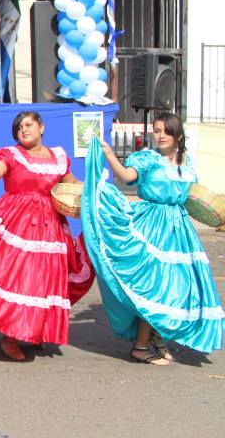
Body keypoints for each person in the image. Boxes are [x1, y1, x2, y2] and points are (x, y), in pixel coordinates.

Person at [0, 111, 95, 361]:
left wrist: (94, 189)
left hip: (51, 226)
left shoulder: (59, 157)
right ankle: (10, 337)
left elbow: (72, 183)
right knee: (20, 279)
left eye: (28, 125)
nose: (24, 130)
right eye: (19, 127)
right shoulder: (12, 154)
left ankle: (34, 330)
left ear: (42, 127)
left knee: (45, 279)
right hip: (17, 223)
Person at [83, 113, 224, 363]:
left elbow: (191, 196)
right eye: (156, 130)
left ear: (178, 136)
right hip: (151, 226)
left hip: (179, 231)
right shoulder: (147, 158)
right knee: (153, 287)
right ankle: (140, 346)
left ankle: (157, 337)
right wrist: (108, 153)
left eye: (166, 131)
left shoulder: (186, 162)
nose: (160, 136)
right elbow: (126, 177)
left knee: (175, 288)